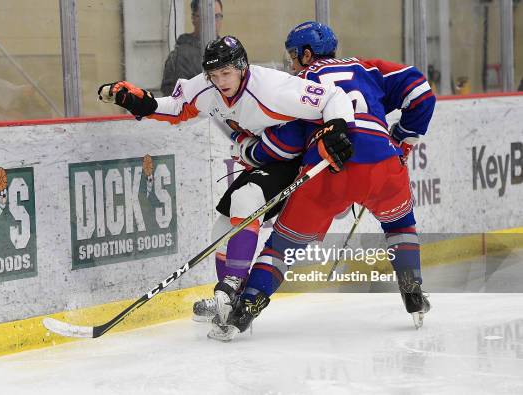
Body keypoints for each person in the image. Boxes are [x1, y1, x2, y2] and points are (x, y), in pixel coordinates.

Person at [98, 35, 355, 335]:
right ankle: (227, 301)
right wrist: (136, 100)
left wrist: (338, 127)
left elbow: (331, 97)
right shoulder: (205, 88)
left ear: (242, 68)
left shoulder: (271, 87)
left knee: (246, 200)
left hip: (293, 158)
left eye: (227, 73)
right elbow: (174, 108)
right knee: (222, 227)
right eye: (215, 74)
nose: (220, 81)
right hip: (262, 159)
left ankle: (232, 285)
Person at [209, 21, 436, 341]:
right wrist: (401, 139)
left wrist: (249, 150)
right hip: (382, 161)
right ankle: (412, 290)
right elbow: (421, 92)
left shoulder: (300, 82)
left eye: (292, 55)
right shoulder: (367, 67)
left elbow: (285, 144)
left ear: (306, 53)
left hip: (327, 169)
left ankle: (244, 310)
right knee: (400, 224)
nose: (290, 62)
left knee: (283, 247)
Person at [160, 0, 223, 96]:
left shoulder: (227, 51)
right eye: (206, 16)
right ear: (194, 18)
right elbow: (173, 96)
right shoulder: (180, 56)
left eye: (217, 16)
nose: (212, 22)